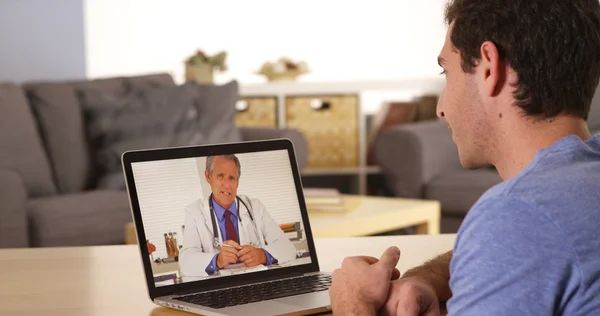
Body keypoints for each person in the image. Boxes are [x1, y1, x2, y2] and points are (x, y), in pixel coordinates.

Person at [328, 0, 600, 315]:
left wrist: (352, 303)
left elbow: (520, 234)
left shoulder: (519, 214)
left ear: (489, 67)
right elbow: (530, 247)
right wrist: (428, 277)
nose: (441, 107)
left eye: (447, 72)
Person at [179, 154, 297, 277]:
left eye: (232, 178)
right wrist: (217, 260)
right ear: (208, 177)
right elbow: (186, 261)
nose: (227, 185)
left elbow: (288, 248)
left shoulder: (255, 207)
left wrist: (262, 255)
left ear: (237, 181)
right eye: (220, 176)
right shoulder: (194, 212)